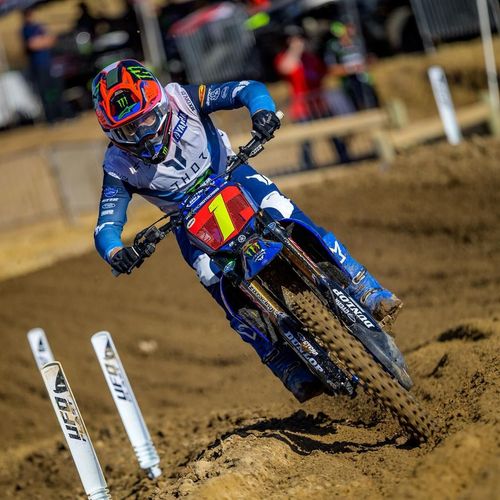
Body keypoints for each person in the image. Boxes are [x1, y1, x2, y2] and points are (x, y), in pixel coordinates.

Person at [92, 59, 402, 402]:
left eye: (146, 119)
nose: (142, 133)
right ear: (112, 133)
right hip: (186, 219)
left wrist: (262, 113)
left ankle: (366, 289)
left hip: (231, 176)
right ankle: (283, 361)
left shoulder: (183, 98)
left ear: (160, 105)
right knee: (212, 277)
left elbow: (246, 89)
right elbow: (106, 225)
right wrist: (117, 253)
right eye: (128, 130)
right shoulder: (117, 164)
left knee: (285, 212)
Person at [274, 25, 350, 169]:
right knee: (306, 139)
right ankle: (307, 165)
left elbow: (325, 72)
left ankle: (344, 157)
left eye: (299, 38)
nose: (297, 42)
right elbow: (286, 68)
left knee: (333, 133)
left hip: (319, 104)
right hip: (302, 107)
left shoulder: (310, 58)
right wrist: (295, 50)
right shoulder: (284, 58)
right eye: (292, 39)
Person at [325, 21, 379, 111]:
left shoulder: (358, 42)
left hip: (366, 82)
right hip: (351, 86)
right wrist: (352, 69)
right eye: (348, 27)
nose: (352, 30)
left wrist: (369, 62)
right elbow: (332, 70)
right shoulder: (334, 47)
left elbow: (371, 59)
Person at [21, 8, 61, 123]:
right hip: (38, 66)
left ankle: (60, 113)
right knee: (45, 93)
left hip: (48, 63)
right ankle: (51, 117)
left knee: (55, 89)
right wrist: (43, 41)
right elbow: (32, 45)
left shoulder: (39, 26)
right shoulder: (26, 29)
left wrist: (41, 41)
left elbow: (51, 40)